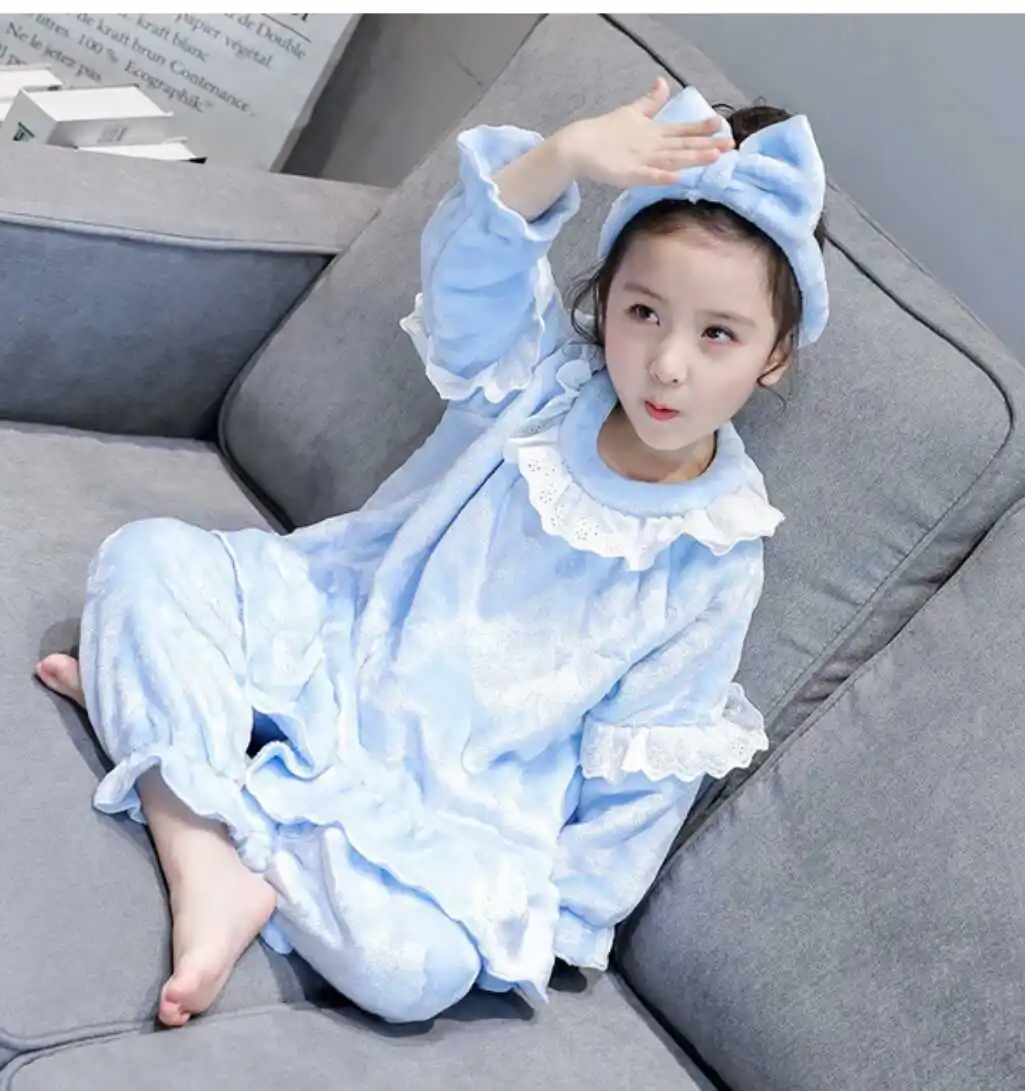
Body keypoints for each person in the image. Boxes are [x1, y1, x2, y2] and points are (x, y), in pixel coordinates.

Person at [35, 77, 828, 1029]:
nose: (666, 363)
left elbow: (642, 770)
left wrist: (561, 919)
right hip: (333, 636)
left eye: (718, 335)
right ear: (606, 299)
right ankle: (200, 840)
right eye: (643, 312)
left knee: (416, 969)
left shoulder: (715, 556)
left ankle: (179, 750)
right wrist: (563, 156)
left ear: (774, 355)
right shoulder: (539, 380)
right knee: (147, 558)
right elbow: (471, 278)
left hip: (455, 797)